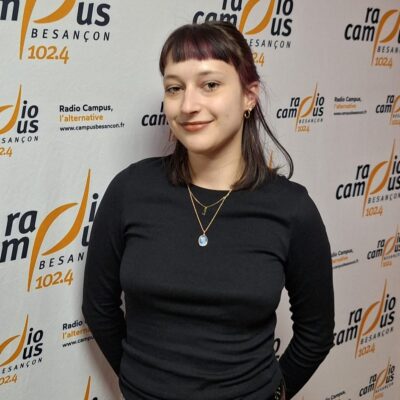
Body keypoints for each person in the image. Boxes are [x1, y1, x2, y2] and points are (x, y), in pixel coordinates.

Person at [82, 21, 335, 400]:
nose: (188, 105)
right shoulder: (130, 190)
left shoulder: (292, 208)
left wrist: (272, 394)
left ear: (249, 96)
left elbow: (316, 333)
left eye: (210, 85)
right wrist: (138, 382)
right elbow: (98, 307)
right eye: (174, 88)